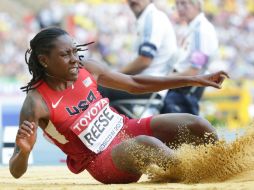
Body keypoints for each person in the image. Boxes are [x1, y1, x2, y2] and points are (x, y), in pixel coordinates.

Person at [9, 27, 228, 184]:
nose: (75, 59)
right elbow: (16, 171)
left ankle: (227, 166)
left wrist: (195, 79)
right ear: (44, 60)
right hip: (103, 160)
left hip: (126, 129)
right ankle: (199, 175)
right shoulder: (36, 103)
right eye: (65, 55)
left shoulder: (87, 69)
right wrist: (24, 153)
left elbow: (135, 83)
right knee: (146, 144)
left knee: (195, 123)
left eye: (75, 51)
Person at [98, 0, 177, 115]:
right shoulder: (148, 18)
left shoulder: (152, 18)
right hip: (148, 84)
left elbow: (144, 60)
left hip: (149, 86)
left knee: (98, 87)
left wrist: (114, 75)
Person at [161, 0, 219, 115]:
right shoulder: (193, 27)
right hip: (181, 88)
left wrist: (165, 79)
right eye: (177, 4)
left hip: (185, 92)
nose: (180, 8)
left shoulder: (201, 30)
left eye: (184, 3)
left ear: (197, 5)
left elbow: (194, 69)